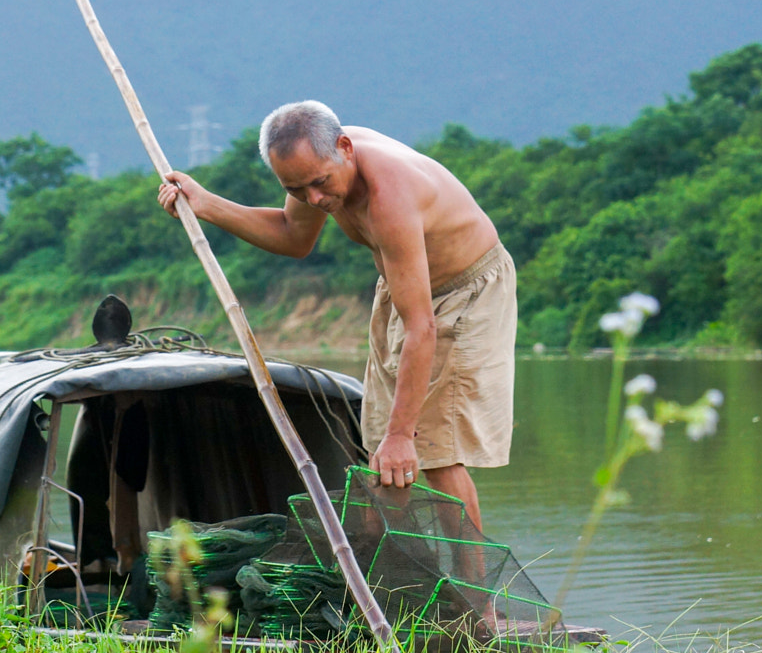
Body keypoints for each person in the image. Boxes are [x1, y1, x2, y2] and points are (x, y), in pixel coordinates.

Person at [158, 99, 515, 533]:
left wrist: (404, 435)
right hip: (403, 289)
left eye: (319, 183)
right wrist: (206, 204)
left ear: (344, 147)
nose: (314, 199)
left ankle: (478, 602)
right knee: (379, 448)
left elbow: (423, 327)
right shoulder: (317, 171)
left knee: (433, 450)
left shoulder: (390, 197)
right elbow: (293, 237)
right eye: (296, 190)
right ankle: (387, 583)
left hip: (464, 294)